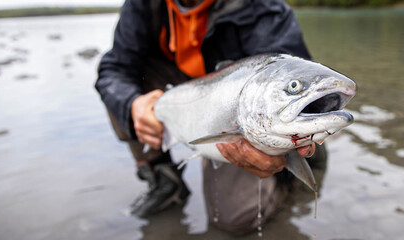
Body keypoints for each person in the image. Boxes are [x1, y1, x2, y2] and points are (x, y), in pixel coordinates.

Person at [95, 0, 325, 235]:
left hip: (232, 107)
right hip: (177, 87)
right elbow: (114, 70)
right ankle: (161, 175)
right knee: (119, 93)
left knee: (235, 220)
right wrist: (132, 105)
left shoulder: (264, 7)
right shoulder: (141, 4)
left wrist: (284, 141)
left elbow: (290, 68)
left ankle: (293, 159)